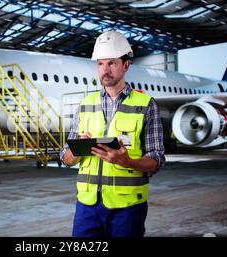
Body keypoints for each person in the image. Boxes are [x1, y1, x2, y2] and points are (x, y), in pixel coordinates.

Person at [59, 31, 165, 237]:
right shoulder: (85, 105)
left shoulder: (145, 105)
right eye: (100, 64)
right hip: (87, 206)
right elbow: (65, 158)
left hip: (127, 206)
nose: (104, 70)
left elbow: (157, 159)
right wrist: (77, 151)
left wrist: (127, 161)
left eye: (111, 63)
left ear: (126, 65)